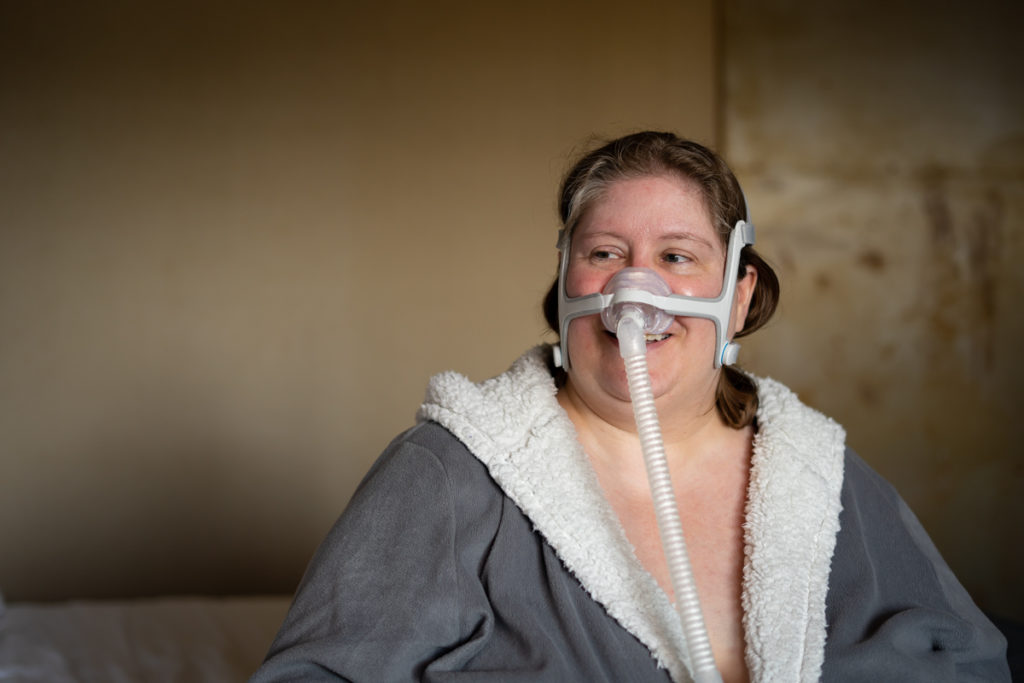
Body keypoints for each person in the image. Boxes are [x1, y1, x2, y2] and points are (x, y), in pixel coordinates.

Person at [250, 132, 1009, 682]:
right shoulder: (451, 473)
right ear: (566, 280)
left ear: (737, 297)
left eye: (676, 256)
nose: (632, 288)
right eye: (605, 253)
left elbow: (972, 660)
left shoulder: (820, 477)